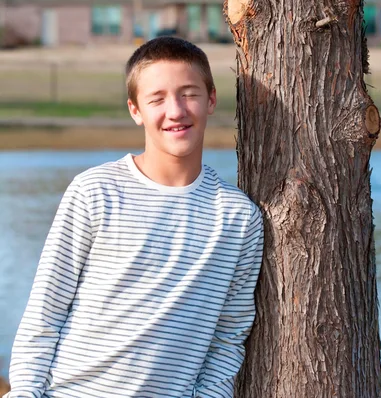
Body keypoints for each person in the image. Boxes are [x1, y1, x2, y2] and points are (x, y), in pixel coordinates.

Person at [5, 37, 264, 398]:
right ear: (135, 110)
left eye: (188, 93)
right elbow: (45, 312)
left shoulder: (238, 219)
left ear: (211, 100)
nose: (175, 111)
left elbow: (227, 339)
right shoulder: (95, 191)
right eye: (157, 99)